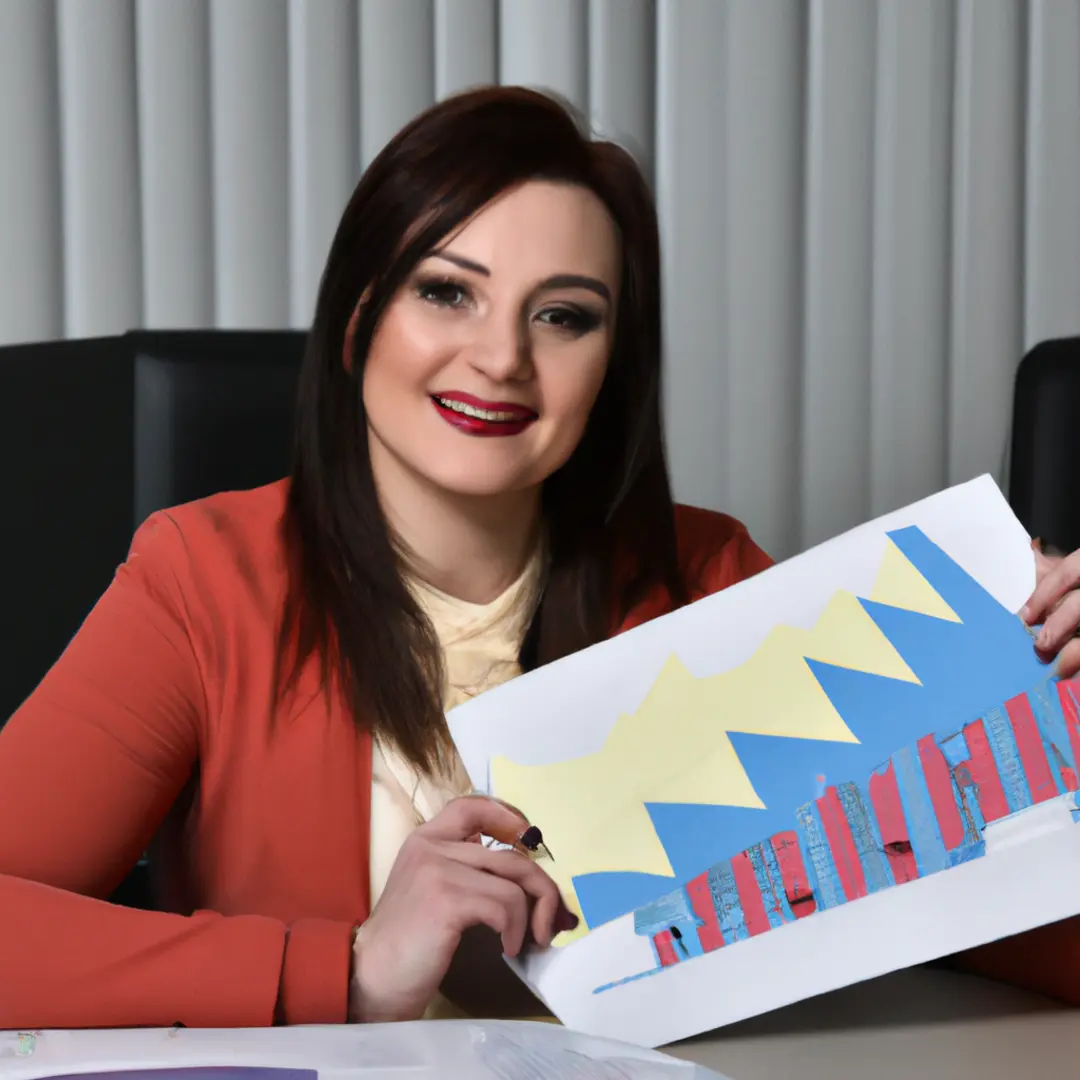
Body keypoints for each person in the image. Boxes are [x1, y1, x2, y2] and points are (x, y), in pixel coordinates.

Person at [0, 86, 1078, 1030]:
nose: (503, 356)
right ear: (357, 318)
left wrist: (1050, 719)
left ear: (614, 364)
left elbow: (972, 913)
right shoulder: (205, 578)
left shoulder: (706, 580)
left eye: (564, 316)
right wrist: (351, 969)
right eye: (445, 291)